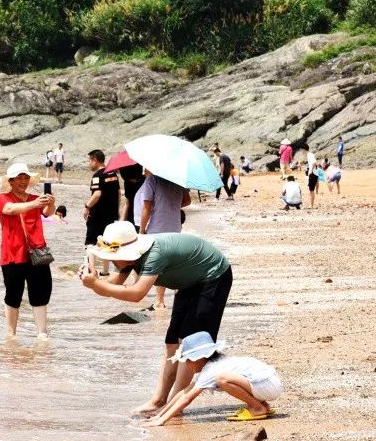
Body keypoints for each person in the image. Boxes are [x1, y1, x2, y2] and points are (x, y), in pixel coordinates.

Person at [80, 221, 232, 416]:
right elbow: (110, 286)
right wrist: (91, 282)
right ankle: (158, 400)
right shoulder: (129, 259)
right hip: (189, 282)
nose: (111, 261)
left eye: (113, 257)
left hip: (213, 276)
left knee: (190, 344)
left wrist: (96, 284)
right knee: (172, 342)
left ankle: (175, 405)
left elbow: (136, 294)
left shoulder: (153, 255)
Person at [145, 332, 282, 426]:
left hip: (267, 385)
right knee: (224, 378)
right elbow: (184, 392)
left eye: (187, 359)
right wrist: (160, 414)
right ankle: (263, 406)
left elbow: (188, 398)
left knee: (222, 379)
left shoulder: (212, 370)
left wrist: (162, 421)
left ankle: (257, 408)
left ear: (198, 358)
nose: (186, 364)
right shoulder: (212, 365)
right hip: (269, 383)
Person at [0, 163, 55, 340]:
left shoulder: (35, 198)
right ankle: (11, 333)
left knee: (41, 293)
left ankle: (42, 333)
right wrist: (35, 203)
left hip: (37, 252)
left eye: (25, 178)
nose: (23, 181)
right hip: (12, 254)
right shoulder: (3, 198)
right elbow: (10, 209)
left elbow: (48, 213)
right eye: (19, 178)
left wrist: (50, 203)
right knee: (13, 295)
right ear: (11, 181)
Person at [134, 169, 191, 309]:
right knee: (174, 263)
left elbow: (146, 207)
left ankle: (160, 301)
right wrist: (172, 204)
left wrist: (141, 231)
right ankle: (180, 297)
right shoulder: (178, 178)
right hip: (175, 226)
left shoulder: (152, 180)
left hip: (157, 229)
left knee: (159, 265)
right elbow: (187, 200)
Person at [83, 150, 119, 275]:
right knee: (108, 242)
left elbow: (97, 194)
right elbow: (118, 193)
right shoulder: (113, 173)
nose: (89, 164)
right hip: (111, 215)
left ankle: (91, 270)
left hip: (97, 215)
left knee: (90, 242)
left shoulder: (98, 176)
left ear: (95, 160)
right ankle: (105, 271)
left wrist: (87, 206)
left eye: (89, 161)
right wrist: (117, 211)